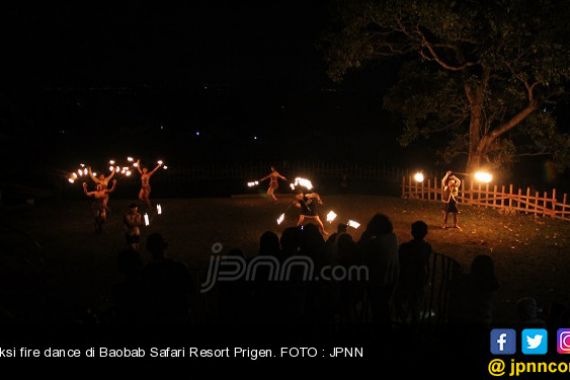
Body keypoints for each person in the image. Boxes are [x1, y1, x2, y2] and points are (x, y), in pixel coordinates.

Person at [395, 221, 432, 324]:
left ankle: (403, 319)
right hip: (419, 277)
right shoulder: (427, 247)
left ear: (412, 232)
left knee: (401, 300)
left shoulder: (405, 247)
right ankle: (413, 321)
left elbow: (400, 259)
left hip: (406, 277)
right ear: (426, 233)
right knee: (415, 301)